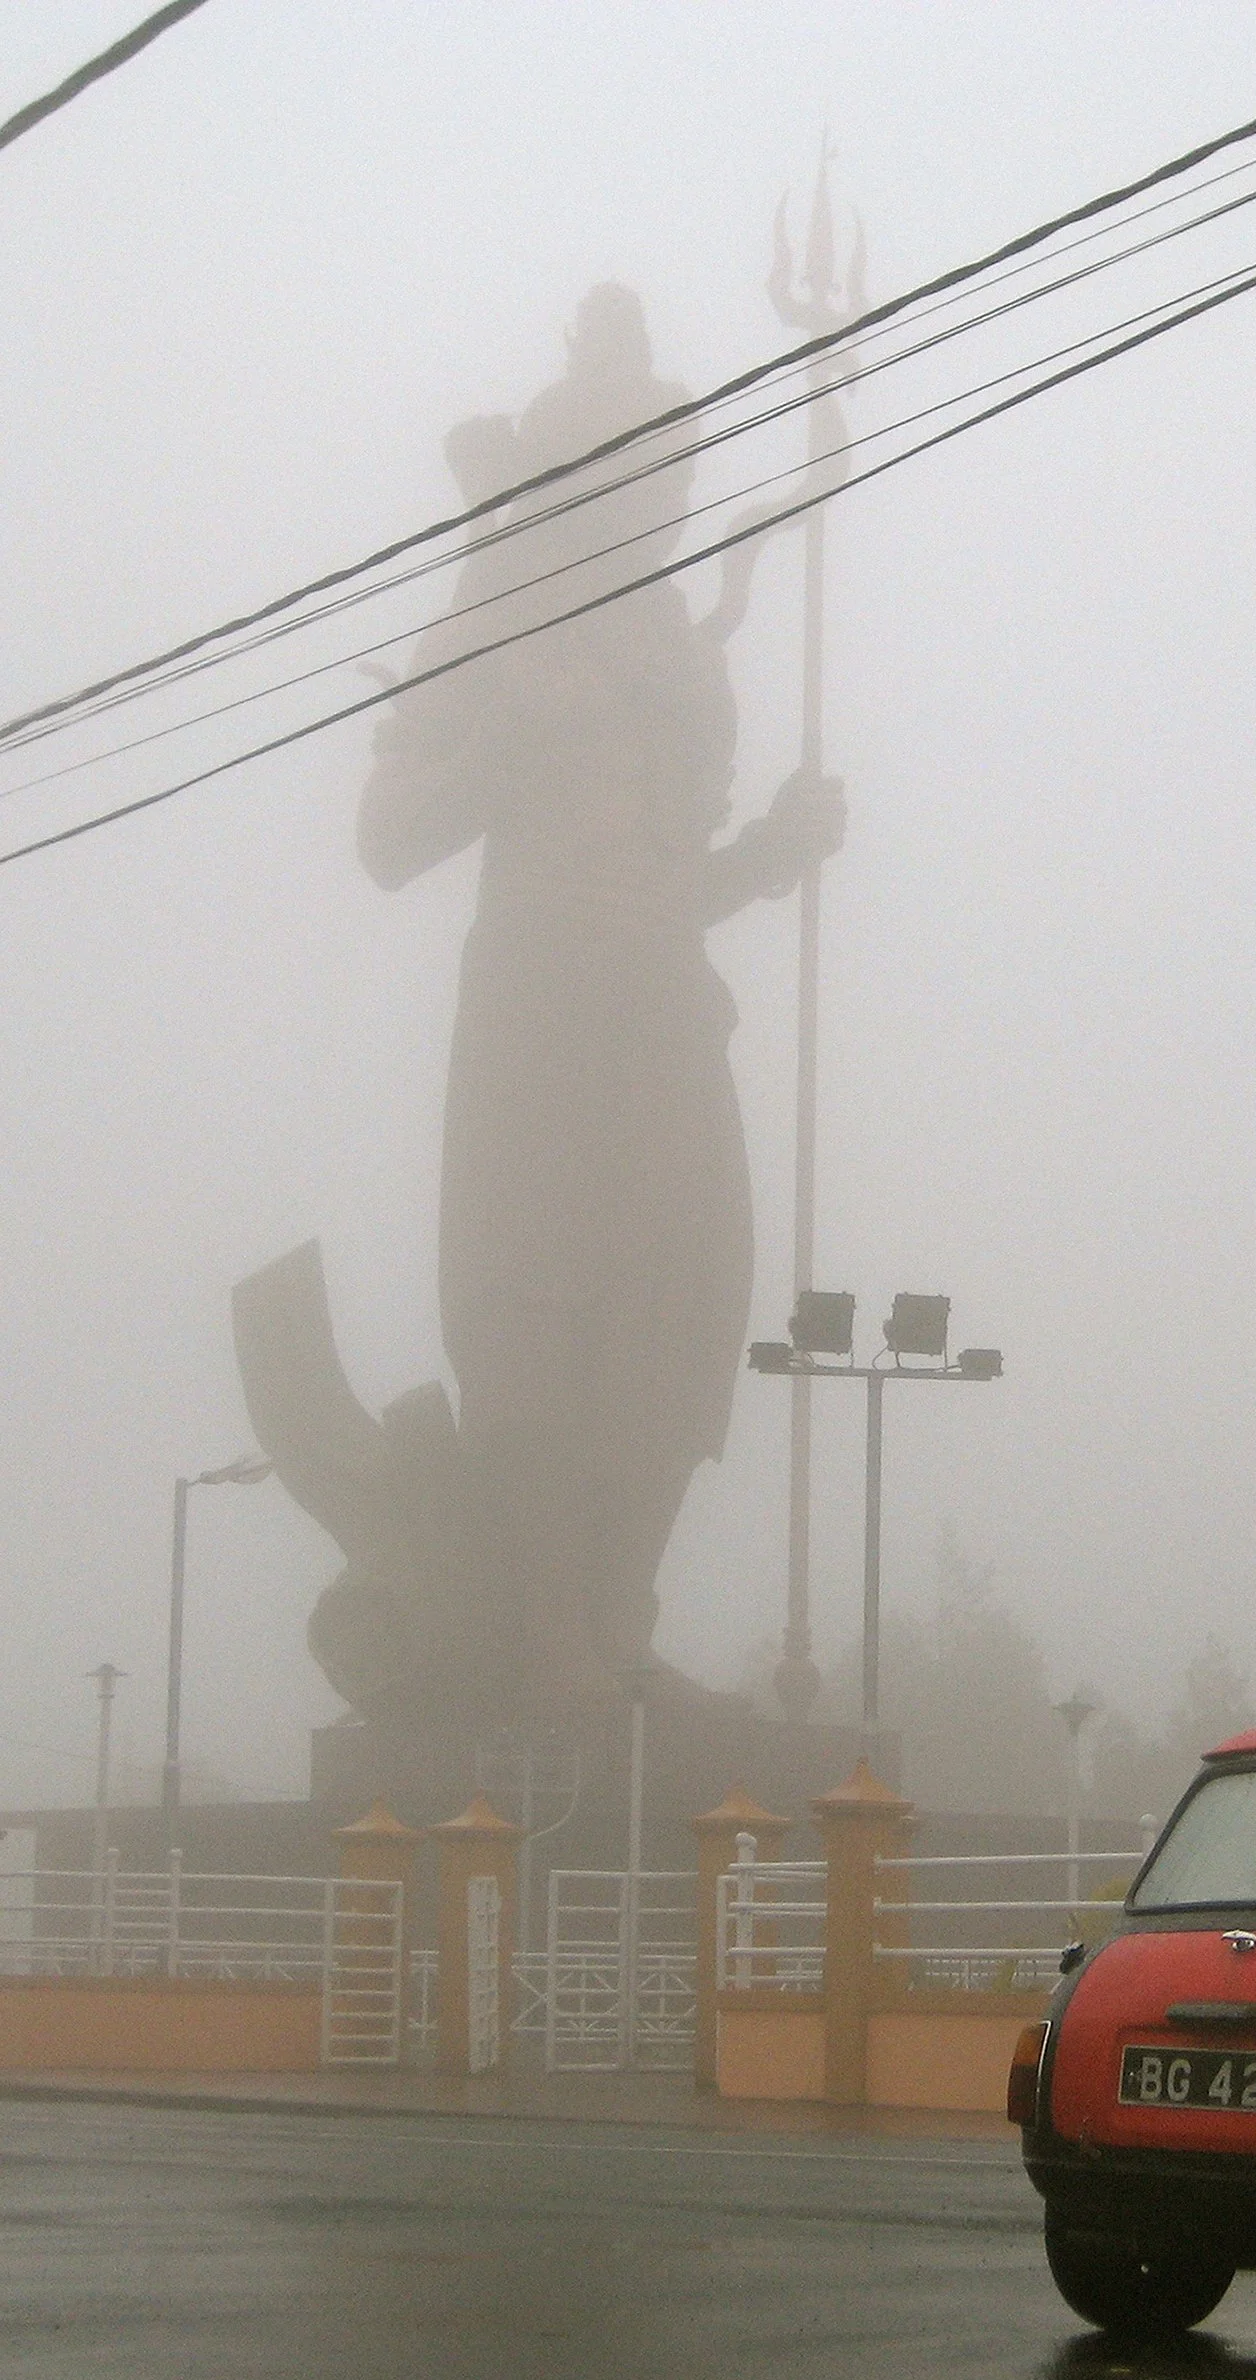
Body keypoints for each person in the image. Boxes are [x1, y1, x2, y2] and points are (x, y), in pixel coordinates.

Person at [357, 287, 840, 1718]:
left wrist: (770, 852)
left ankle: (624, 1619)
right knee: (534, 1308)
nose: (662, 504)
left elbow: (675, 876)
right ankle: (552, 1632)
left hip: (662, 999)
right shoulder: (492, 617)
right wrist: (494, 752)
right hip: (535, 996)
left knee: (678, 1310)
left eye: (675, 478)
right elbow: (387, 843)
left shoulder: (684, 656)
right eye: (633, 473)